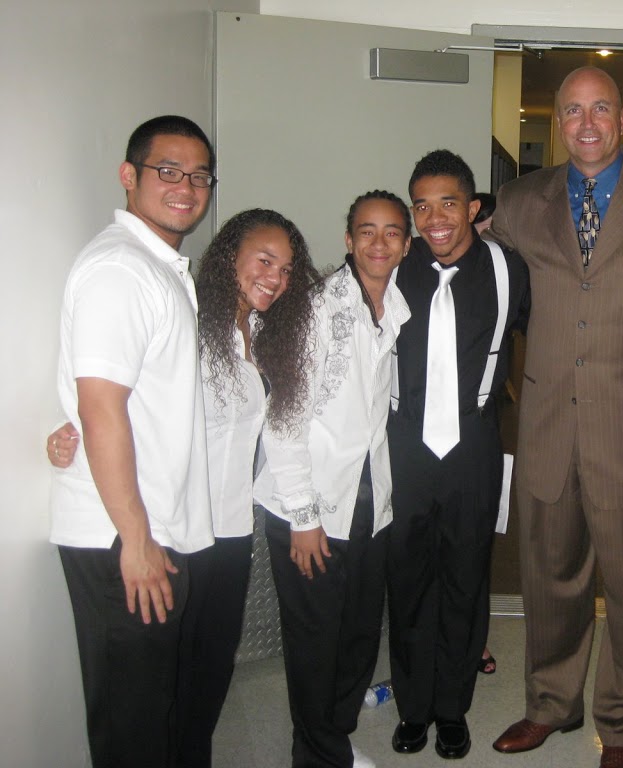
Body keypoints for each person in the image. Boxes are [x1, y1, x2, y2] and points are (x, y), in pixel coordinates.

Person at [48, 208, 320, 767]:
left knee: (209, 674)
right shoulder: (191, 326)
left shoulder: (266, 335)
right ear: (229, 257)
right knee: (160, 685)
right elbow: (128, 395)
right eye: (264, 260)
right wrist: (69, 427)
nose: (275, 278)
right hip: (180, 530)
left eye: (287, 269)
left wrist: (302, 509)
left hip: (232, 531)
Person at [488, 66, 623, 768]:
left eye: (600, 109)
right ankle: (551, 703)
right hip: (547, 422)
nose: (586, 124)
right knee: (549, 575)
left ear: (622, 120)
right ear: (557, 121)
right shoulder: (520, 201)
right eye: (573, 110)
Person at [48, 115, 216, 767]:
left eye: (199, 175)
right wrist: (137, 540)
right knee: (133, 725)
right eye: (167, 171)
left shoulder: (157, 266)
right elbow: (101, 409)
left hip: (146, 526)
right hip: (121, 536)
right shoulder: (121, 268)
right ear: (129, 175)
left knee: (152, 707)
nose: (186, 187)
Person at [252, 191, 411, 768]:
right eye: (366, 231)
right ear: (348, 240)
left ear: (406, 245)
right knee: (316, 640)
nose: (378, 243)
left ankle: (335, 734)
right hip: (310, 506)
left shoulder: (395, 305)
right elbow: (284, 419)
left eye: (391, 232)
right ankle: (317, 754)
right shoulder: (318, 308)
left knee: (360, 631)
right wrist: (303, 516)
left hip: (367, 500)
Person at [387, 151, 529, 759]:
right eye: (421, 206)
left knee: (466, 577)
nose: (434, 218)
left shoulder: (508, 269)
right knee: (408, 578)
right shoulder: (392, 264)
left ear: (472, 207)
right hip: (403, 443)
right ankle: (413, 706)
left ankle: (452, 707)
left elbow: (554, 336)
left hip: (474, 443)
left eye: (448, 203)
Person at [472, 189, 499, 677]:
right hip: (407, 437)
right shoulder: (409, 267)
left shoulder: (506, 271)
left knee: (473, 550)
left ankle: (474, 642)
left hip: (478, 433)